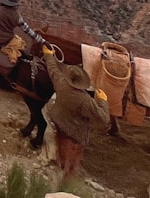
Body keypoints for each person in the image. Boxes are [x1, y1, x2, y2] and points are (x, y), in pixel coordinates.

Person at [42, 46, 110, 178]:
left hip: (59, 123)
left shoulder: (61, 83)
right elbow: (104, 118)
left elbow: (52, 69)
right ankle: (66, 184)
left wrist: (48, 55)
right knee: (71, 163)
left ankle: (59, 165)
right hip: (74, 134)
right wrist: (103, 101)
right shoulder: (85, 100)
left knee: (60, 149)